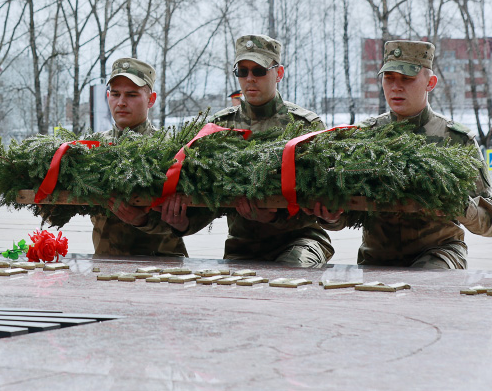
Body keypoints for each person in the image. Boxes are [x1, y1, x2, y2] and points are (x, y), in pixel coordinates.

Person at [351, 40, 492, 268]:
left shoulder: (456, 140)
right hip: (377, 257)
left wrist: (461, 206)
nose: (396, 87)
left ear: (430, 82)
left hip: (439, 254)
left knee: (428, 276)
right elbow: (342, 215)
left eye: (407, 78)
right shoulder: (364, 137)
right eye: (389, 77)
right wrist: (330, 214)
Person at [208, 34, 334, 267]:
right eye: (242, 72)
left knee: (291, 271)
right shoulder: (220, 127)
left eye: (259, 71)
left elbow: (329, 201)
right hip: (243, 245)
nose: (250, 79)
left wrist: (276, 216)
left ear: (279, 73)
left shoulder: (305, 126)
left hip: (300, 240)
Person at [92, 58, 212, 256]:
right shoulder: (92, 149)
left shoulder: (174, 149)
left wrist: (146, 221)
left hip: (165, 267)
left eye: (131, 95)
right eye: (115, 94)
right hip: (108, 262)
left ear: (151, 99)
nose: (121, 102)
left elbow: (200, 211)